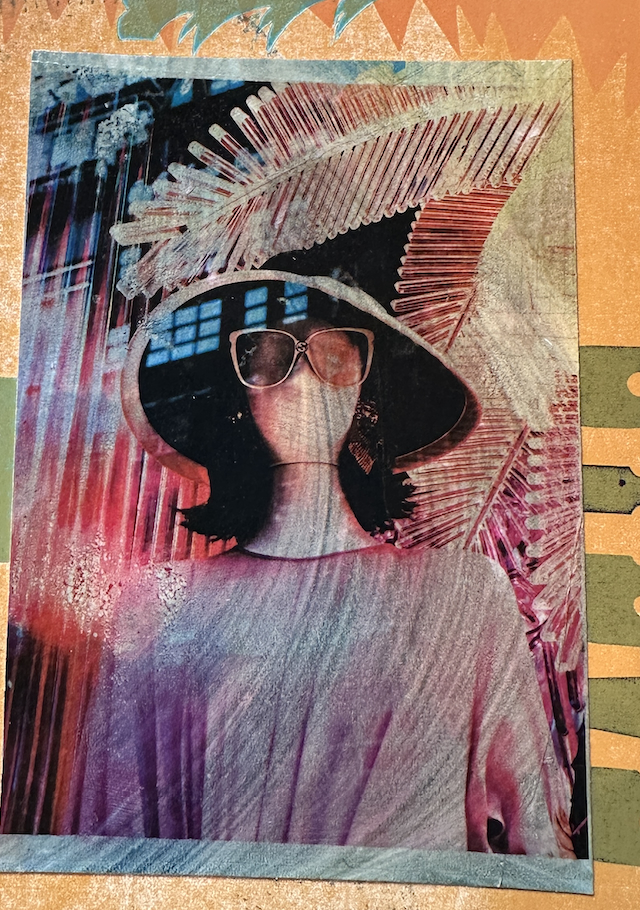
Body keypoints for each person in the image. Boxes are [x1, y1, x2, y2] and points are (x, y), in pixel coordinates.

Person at [74, 268, 573, 857]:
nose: (303, 380)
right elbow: (113, 846)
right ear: (237, 394)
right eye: (268, 356)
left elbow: (536, 843)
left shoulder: (463, 595)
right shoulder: (162, 604)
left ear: (367, 390)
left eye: (334, 355)